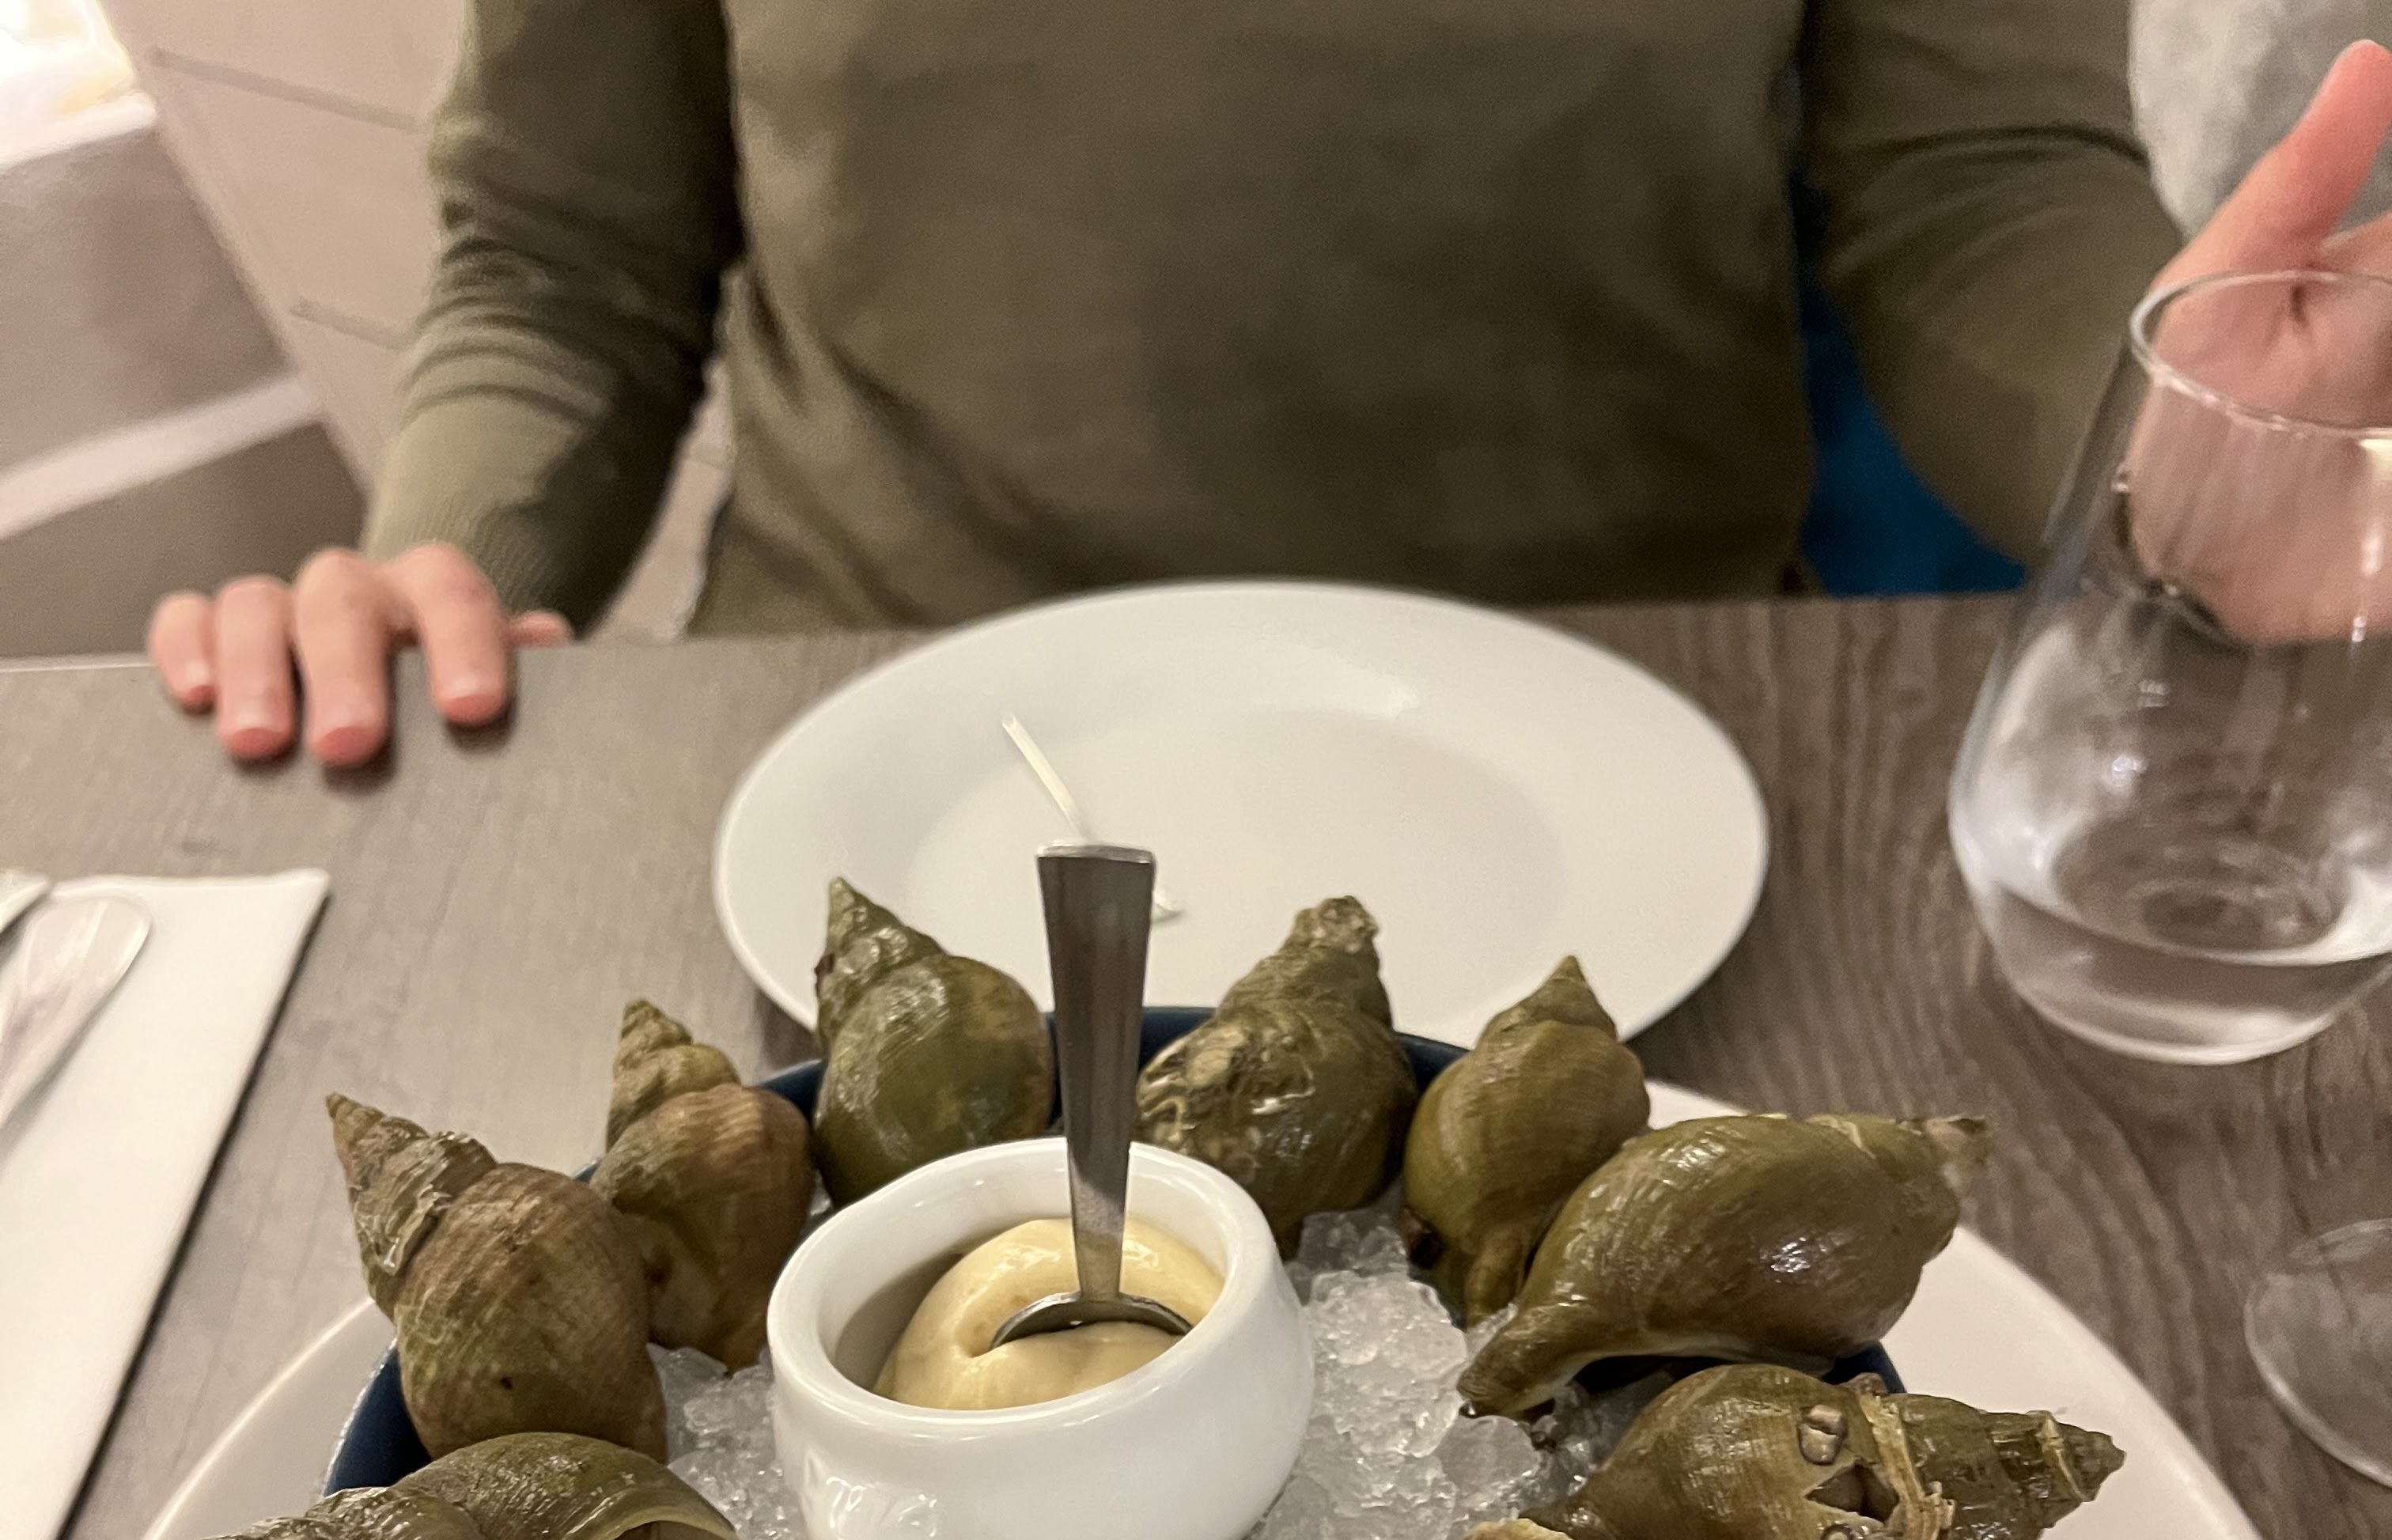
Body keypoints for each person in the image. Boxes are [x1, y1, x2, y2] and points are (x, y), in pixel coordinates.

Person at [146, 12, 2392, 768]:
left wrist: (2192, 450)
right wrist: (440, 566)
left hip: (1633, 740)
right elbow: (566, 255)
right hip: (871, 738)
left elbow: (1971, 180)